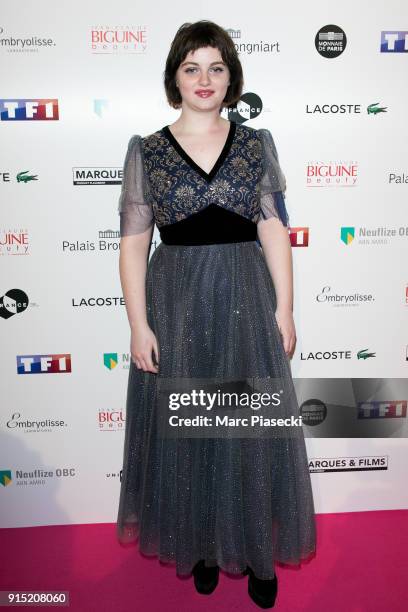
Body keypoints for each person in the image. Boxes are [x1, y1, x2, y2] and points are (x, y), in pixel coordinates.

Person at [116, 19, 316, 609]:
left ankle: (256, 550)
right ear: (174, 78)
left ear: (232, 78)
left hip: (247, 304)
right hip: (174, 306)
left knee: (247, 430)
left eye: (217, 67)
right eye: (192, 67)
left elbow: (273, 226)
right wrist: (138, 323)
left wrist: (284, 306)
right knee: (188, 431)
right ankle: (201, 544)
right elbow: (133, 243)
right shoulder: (147, 151)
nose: (205, 79)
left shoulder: (256, 144)